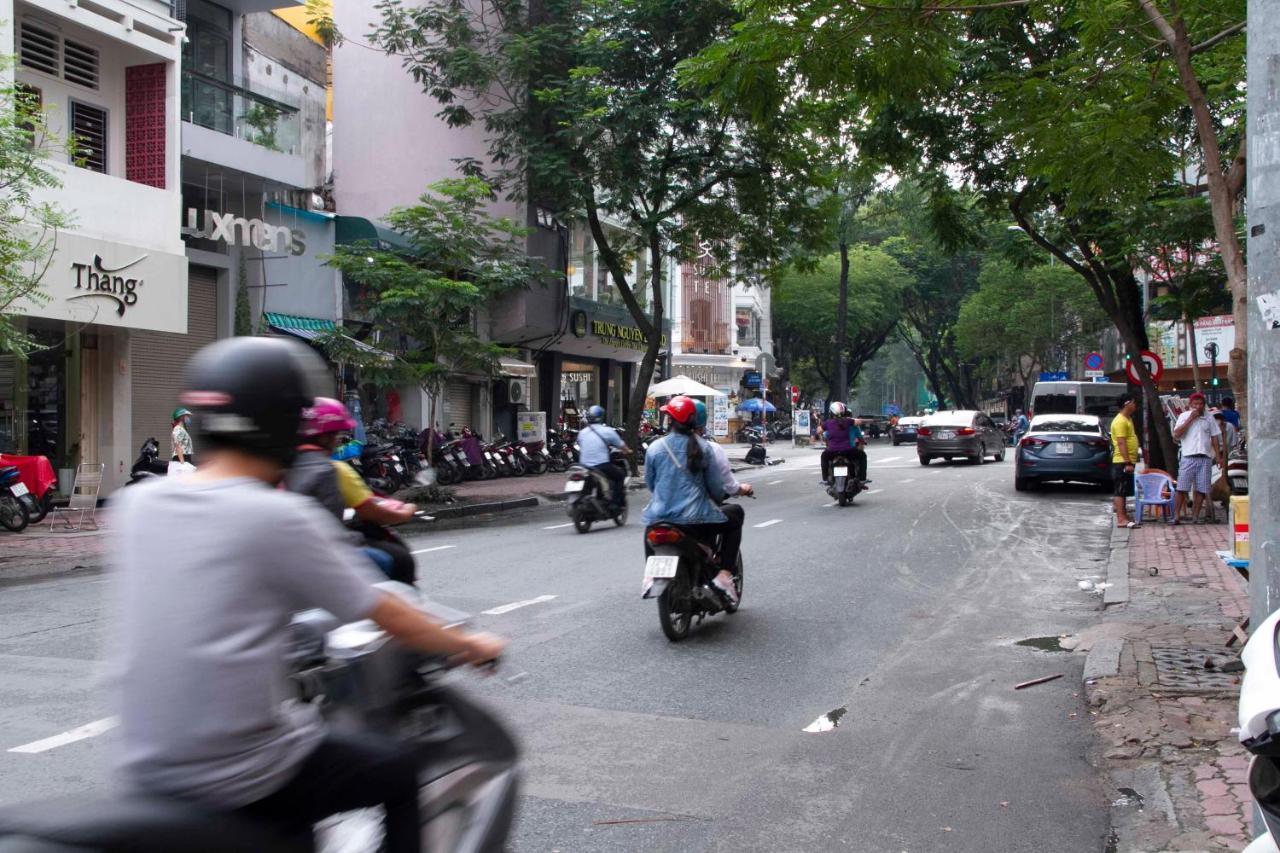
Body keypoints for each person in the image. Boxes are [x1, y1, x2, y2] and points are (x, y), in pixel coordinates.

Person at [110, 336, 504, 853]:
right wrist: (469, 643)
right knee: (398, 771)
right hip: (245, 774)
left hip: (144, 769)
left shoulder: (137, 504)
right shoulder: (273, 515)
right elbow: (385, 611)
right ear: (284, 426)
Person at [284, 397, 418, 585]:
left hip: (288, 553)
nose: (338, 440)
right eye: (335, 434)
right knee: (397, 559)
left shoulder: (281, 466)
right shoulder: (334, 469)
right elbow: (374, 513)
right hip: (322, 554)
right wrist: (406, 511)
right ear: (324, 436)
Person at [642, 395, 740, 606]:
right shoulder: (704, 448)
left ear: (670, 421)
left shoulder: (654, 448)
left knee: (648, 535)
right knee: (737, 513)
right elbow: (715, 488)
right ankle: (724, 575)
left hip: (660, 518)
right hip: (697, 522)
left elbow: (651, 484)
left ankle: (651, 575)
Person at [1173, 391, 1223, 524]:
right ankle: (1176, 516)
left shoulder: (1209, 418)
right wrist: (1191, 419)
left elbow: (1214, 437)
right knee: (1182, 487)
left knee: (1202, 488)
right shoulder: (1184, 416)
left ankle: (1195, 516)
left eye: (1201, 404)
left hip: (1205, 457)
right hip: (1188, 456)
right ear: (1190, 405)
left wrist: (1218, 457)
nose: (1198, 406)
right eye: (1195, 404)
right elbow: (1177, 434)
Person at [577, 404, 628, 509]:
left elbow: (580, 444)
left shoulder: (582, 433)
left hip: (584, 466)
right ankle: (615, 503)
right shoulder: (607, 431)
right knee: (620, 476)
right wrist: (628, 451)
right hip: (600, 465)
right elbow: (621, 445)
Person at [818, 402, 867, 485]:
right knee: (862, 456)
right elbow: (858, 422)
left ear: (831, 413)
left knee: (823, 456)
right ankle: (862, 478)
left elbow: (820, 431)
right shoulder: (849, 422)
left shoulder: (828, 423)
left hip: (832, 452)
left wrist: (821, 427)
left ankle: (825, 479)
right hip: (848, 451)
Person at [1110, 395, 1140, 529]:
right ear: (1127, 403)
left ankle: (1124, 516)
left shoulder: (1128, 419)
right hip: (1121, 460)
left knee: (1124, 489)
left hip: (1127, 460)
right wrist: (1127, 462)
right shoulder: (1120, 421)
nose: (1135, 405)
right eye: (1133, 403)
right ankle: (1121, 518)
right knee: (1120, 489)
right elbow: (1121, 443)